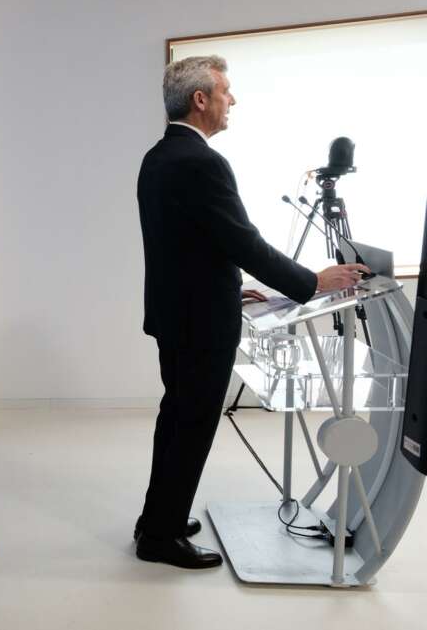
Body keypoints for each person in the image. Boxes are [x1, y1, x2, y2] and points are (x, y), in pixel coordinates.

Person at [134, 56, 368, 568]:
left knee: (175, 418)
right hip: (200, 325)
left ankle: (158, 518)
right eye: (225, 90)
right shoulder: (202, 162)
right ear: (201, 99)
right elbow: (243, 241)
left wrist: (230, 288)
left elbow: (187, 245)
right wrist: (312, 282)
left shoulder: (158, 157)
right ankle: (161, 536)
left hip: (177, 315)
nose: (231, 100)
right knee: (191, 424)